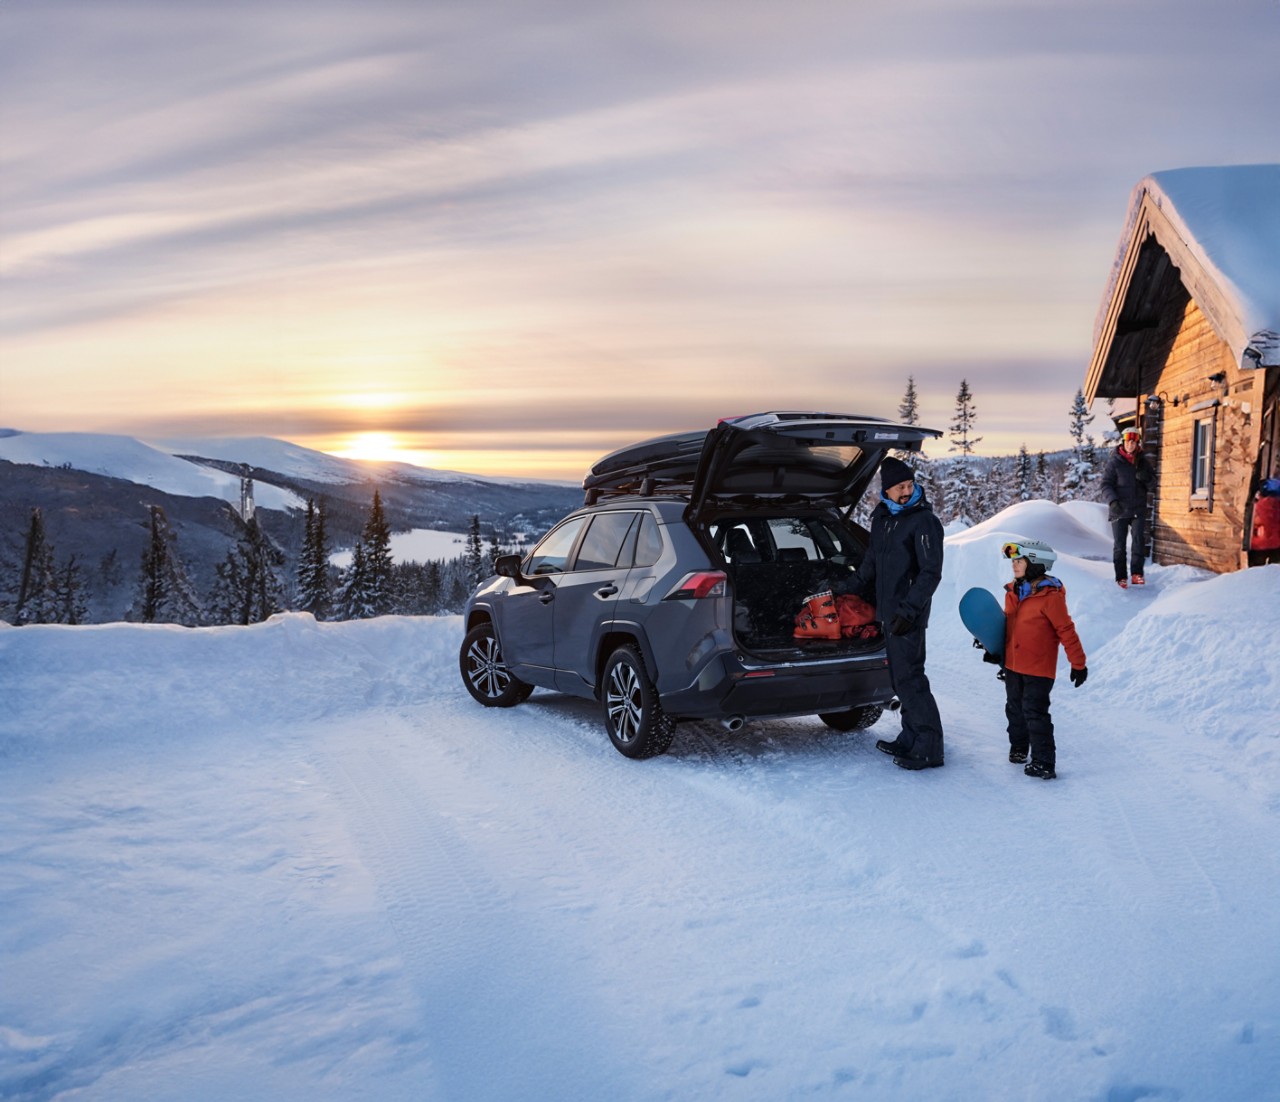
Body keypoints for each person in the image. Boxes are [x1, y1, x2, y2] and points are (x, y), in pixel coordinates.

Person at [841, 456, 946, 770]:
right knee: (899, 680)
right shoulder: (884, 519)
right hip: (887, 614)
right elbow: (871, 564)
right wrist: (846, 588)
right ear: (886, 490)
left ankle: (930, 746)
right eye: (900, 487)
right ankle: (910, 736)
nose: (907, 491)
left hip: (907, 615)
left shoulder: (923, 521)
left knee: (912, 679)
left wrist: (910, 610)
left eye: (909, 485)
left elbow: (931, 572)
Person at [995, 539, 1087, 780]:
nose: (1014, 565)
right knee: (1014, 708)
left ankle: (1044, 762)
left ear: (1035, 563)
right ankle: (1018, 748)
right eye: (1013, 561)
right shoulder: (1013, 592)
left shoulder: (1050, 596)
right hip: (1013, 664)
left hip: (1038, 668)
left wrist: (1078, 664)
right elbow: (1008, 626)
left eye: (1019, 561)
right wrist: (994, 648)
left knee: (1034, 712)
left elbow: (1066, 630)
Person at [1100, 428, 1156, 588]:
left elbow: (1153, 484)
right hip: (1119, 509)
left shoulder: (1143, 462)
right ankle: (1121, 577)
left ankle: (1137, 574)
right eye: (1128, 441)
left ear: (1137, 443)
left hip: (1137, 508)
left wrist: (1146, 479)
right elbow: (1105, 484)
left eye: (1133, 442)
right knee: (1119, 545)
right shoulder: (1115, 462)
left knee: (1138, 542)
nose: (1130, 444)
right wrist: (1113, 501)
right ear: (1123, 442)